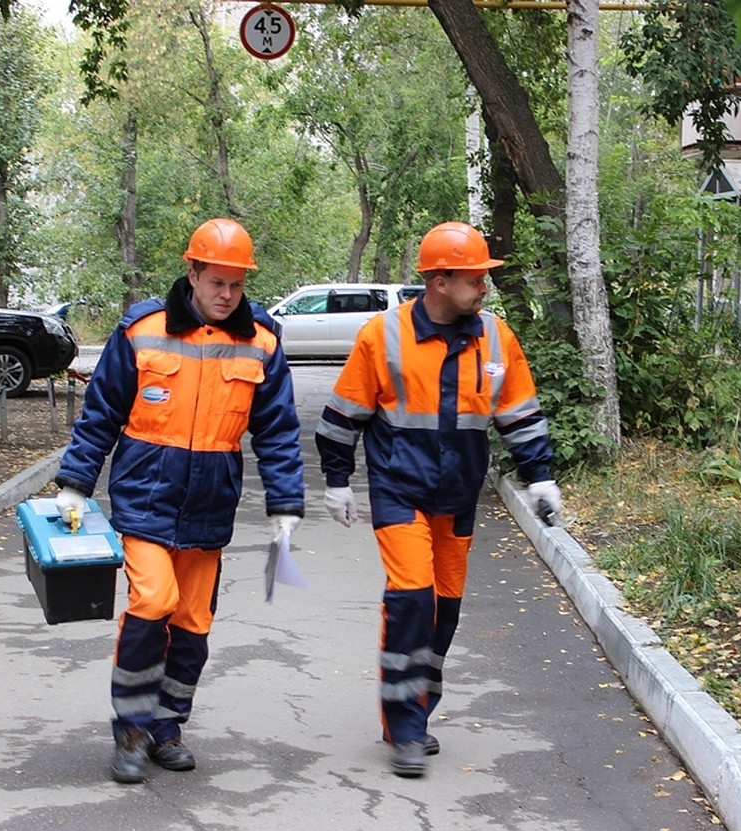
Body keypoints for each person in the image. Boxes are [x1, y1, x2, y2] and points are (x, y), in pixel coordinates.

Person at [54, 217, 305, 785]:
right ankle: (133, 730)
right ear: (191, 272)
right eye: (216, 282)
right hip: (144, 495)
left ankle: (168, 727)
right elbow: (101, 414)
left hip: (210, 504)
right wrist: (75, 483)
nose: (226, 295)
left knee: (193, 621)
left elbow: (277, 430)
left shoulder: (260, 340)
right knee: (152, 601)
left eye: (237, 285)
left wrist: (285, 503)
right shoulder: (143, 328)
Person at [315, 221, 562, 778]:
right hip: (399, 490)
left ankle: (415, 711)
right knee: (411, 597)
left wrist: (539, 475)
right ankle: (404, 726)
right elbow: (342, 418)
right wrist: (336, 480)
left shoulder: (495, 338)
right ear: (439, 280)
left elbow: (519, 414)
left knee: (444, 609)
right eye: (475, 278)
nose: (484, 287)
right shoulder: (384, 336)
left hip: (458, 495)